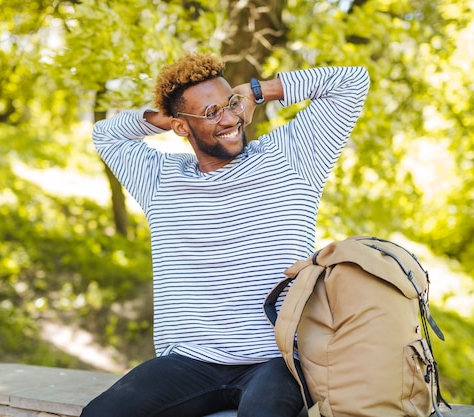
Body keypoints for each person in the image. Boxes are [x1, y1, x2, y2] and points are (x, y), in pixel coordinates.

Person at [80, 52, 369, 417]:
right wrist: (167, 119)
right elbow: (106, 134)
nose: (231, 118)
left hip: (275, 361)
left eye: (230, 104)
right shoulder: (159, 180)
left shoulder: (293, 156)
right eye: (211, 112)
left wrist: (256, 91)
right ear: (183, 128)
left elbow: (352, 81)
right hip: (189, 362)